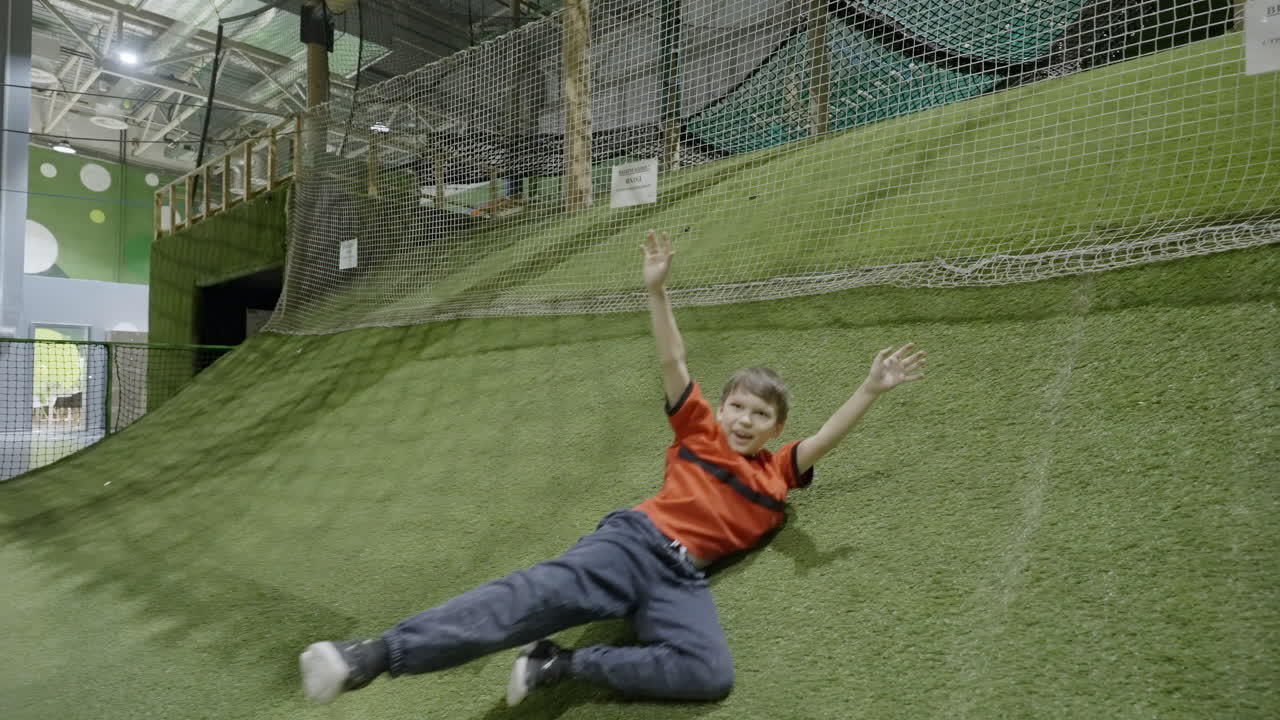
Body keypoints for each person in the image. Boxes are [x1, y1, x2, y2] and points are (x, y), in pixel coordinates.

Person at [299, 229, 926, 706]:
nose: (744, 419)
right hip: (632, 544)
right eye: (737, 405)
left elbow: (825, 439)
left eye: (760, 415)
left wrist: (870, 389)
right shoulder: (699, 430)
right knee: (526, 598)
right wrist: (656, 290)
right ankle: (373, 655)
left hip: (681, 581)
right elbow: (674, 361)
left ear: (775, 429)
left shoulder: (777, 475)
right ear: (722, 407)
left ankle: (561, 665)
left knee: (709, 674)